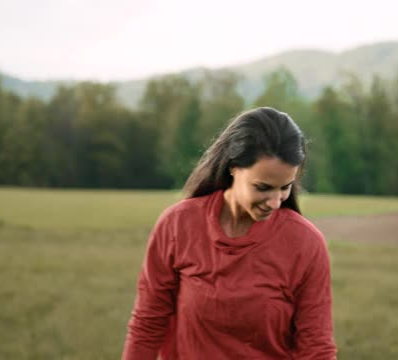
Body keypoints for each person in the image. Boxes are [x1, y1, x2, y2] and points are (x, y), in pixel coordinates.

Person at [122, 107, 337, 359]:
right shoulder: (178, 225)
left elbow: (316, 346)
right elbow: (148, 323)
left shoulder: (306, 244)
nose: (276, 202)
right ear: (233, 167)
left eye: (285, 188)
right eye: (263, 187)